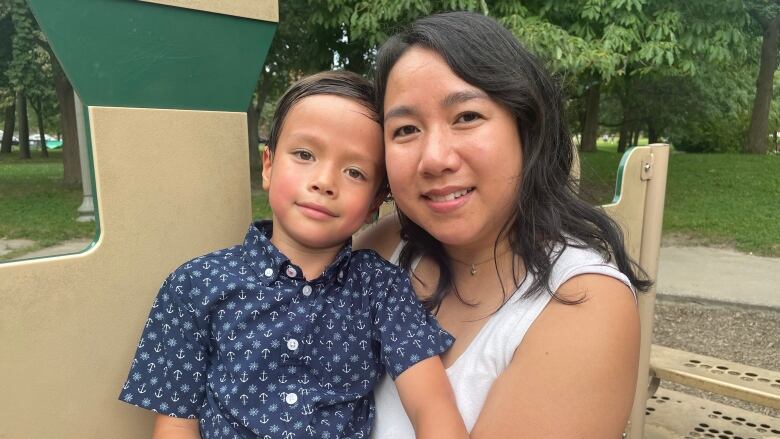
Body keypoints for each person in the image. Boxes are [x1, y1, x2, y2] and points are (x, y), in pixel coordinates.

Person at [119, 71, 468, 439]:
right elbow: (175, 423)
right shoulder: (195, 285)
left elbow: (431, 404)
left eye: (354, 172)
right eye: (305, 154)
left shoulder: (381, 288)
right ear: (268, 165)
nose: (324, 182)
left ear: (374, 204)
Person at [355, 11, 652, 438]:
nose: (435, 158)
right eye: (405, 129)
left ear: (524, 126)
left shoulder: (583, 305)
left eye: (466, 117)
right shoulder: (386, 249)